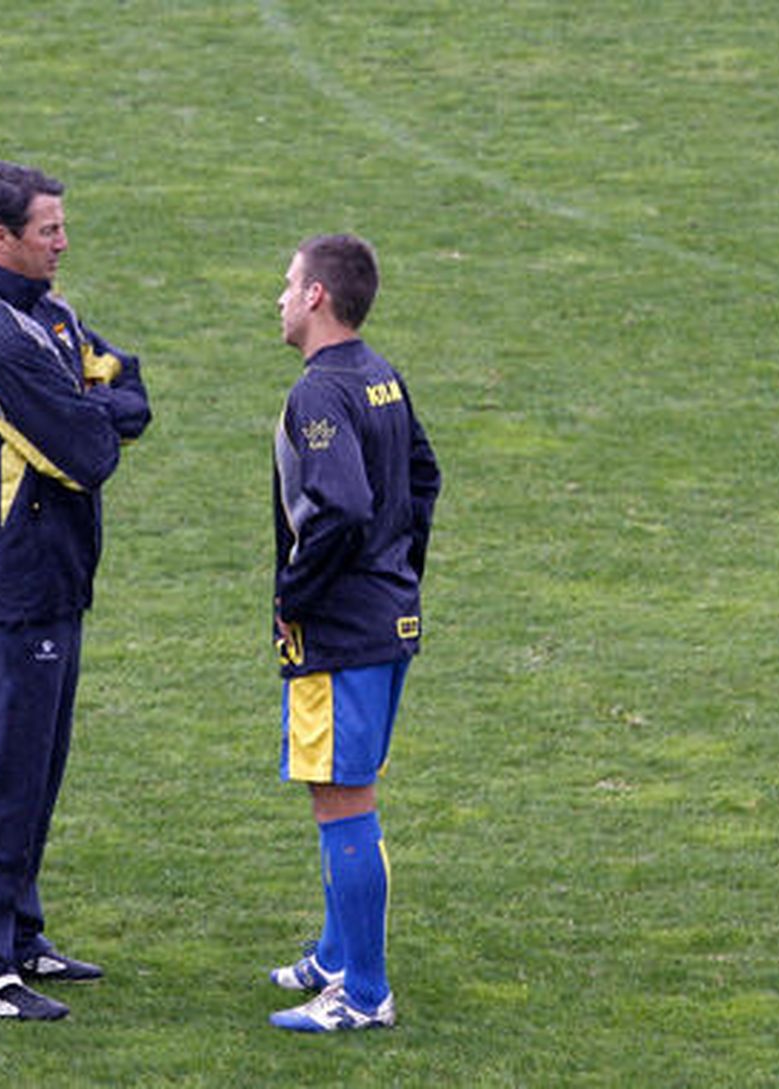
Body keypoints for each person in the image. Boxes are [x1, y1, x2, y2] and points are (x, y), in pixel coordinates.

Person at [0, 161, 151, 1021]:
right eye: (48, 231)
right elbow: (90, 452)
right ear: (2, 239)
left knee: (40, 767)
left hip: (55, 574)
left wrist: (96, 404)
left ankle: (20, 936)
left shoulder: (48, 313)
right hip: (10, 584)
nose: (63, 242)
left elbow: (127, 381)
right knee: (2, 775)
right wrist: (94, 410)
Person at [265, 234, 441, 1032]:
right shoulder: (382, 377)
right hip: (384, 614)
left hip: (341, 627)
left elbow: (341, 509)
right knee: (338, 788)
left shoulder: (319, 394)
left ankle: (363, 992)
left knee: (344, 798)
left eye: (288, 282)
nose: (279, 296)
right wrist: (401, 573)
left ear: (317, 297)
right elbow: (423, 479)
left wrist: (293, 595)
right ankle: (337, 955)